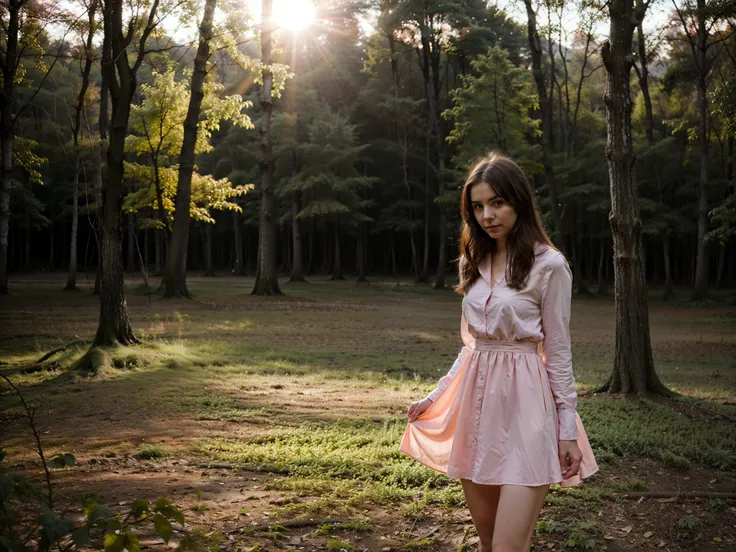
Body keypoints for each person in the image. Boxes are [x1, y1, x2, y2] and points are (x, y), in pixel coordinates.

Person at [400, 151, 598, 552]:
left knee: (509, 546)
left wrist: (566, 431)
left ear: (519, 202)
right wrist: (435, 396)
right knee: (489, 542)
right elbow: (472, 346)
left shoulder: (551, 265)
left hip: (528, 413)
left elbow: (558, 352)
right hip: (477, 412)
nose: (487, 215)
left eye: (497, 203)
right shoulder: (472, 261)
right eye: (477, 206)